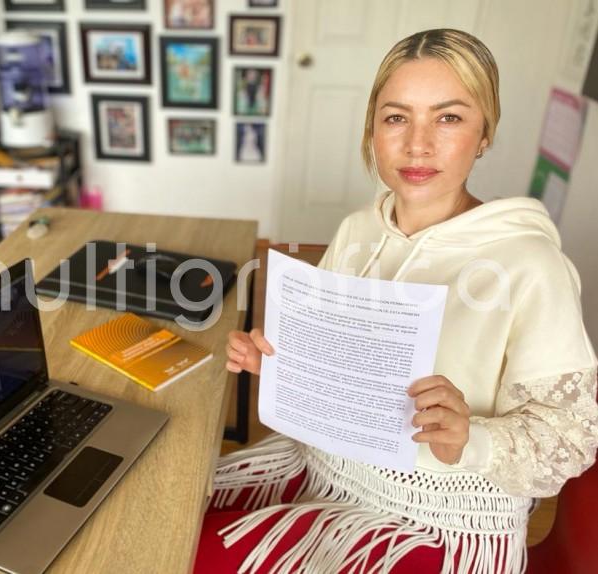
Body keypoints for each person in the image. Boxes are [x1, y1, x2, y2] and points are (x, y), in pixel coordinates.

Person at [194, 28, 598, 573]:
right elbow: (344, 373)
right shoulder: (358, 231)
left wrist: (469, 437)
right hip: (326, 471)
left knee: (193, 555)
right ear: (372, 130)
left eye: (449, 118)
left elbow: (570, 440)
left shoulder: (532, 265)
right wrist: (282, 368)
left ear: (484, 134)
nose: (418, 144)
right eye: (396, 117)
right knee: (169, 511)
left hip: (438, 518)